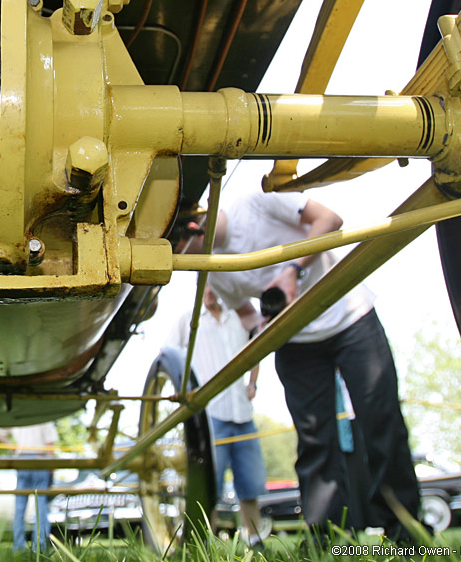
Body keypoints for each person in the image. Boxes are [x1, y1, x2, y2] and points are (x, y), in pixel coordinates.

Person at [182, 191, 420, 539]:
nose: (184, 260)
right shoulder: (214, 267)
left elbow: (330, 219)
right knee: (315, 441)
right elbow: (246, 312)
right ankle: (329, 536)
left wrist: (292, 270)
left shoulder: (257, 205)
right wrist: (260, 329)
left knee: (381, 422)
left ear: (192, 230)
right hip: (294, 341)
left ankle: (405, 530)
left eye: (180, 252)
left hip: (350, 317)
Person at [167, 285, 266, 548]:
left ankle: (255, 540)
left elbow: (257, 348)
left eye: (214, 284)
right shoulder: (188, 321)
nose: (209, 290)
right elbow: (170, 357)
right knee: (208, 487)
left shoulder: (238, 317)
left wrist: (253, 384)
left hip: (242, 413)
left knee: (250, 484)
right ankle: (203, 544)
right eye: (204, 284)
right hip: (211, 415)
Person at [0, 421, 58, 552]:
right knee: (41, 507)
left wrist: (12, 447)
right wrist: (51, 467)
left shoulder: (20, 417)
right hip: (41, 460)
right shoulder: (46, 417)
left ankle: (18, 546)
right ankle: (40, 546)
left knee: (20, 507)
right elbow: (49, 444)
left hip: (22, 460)